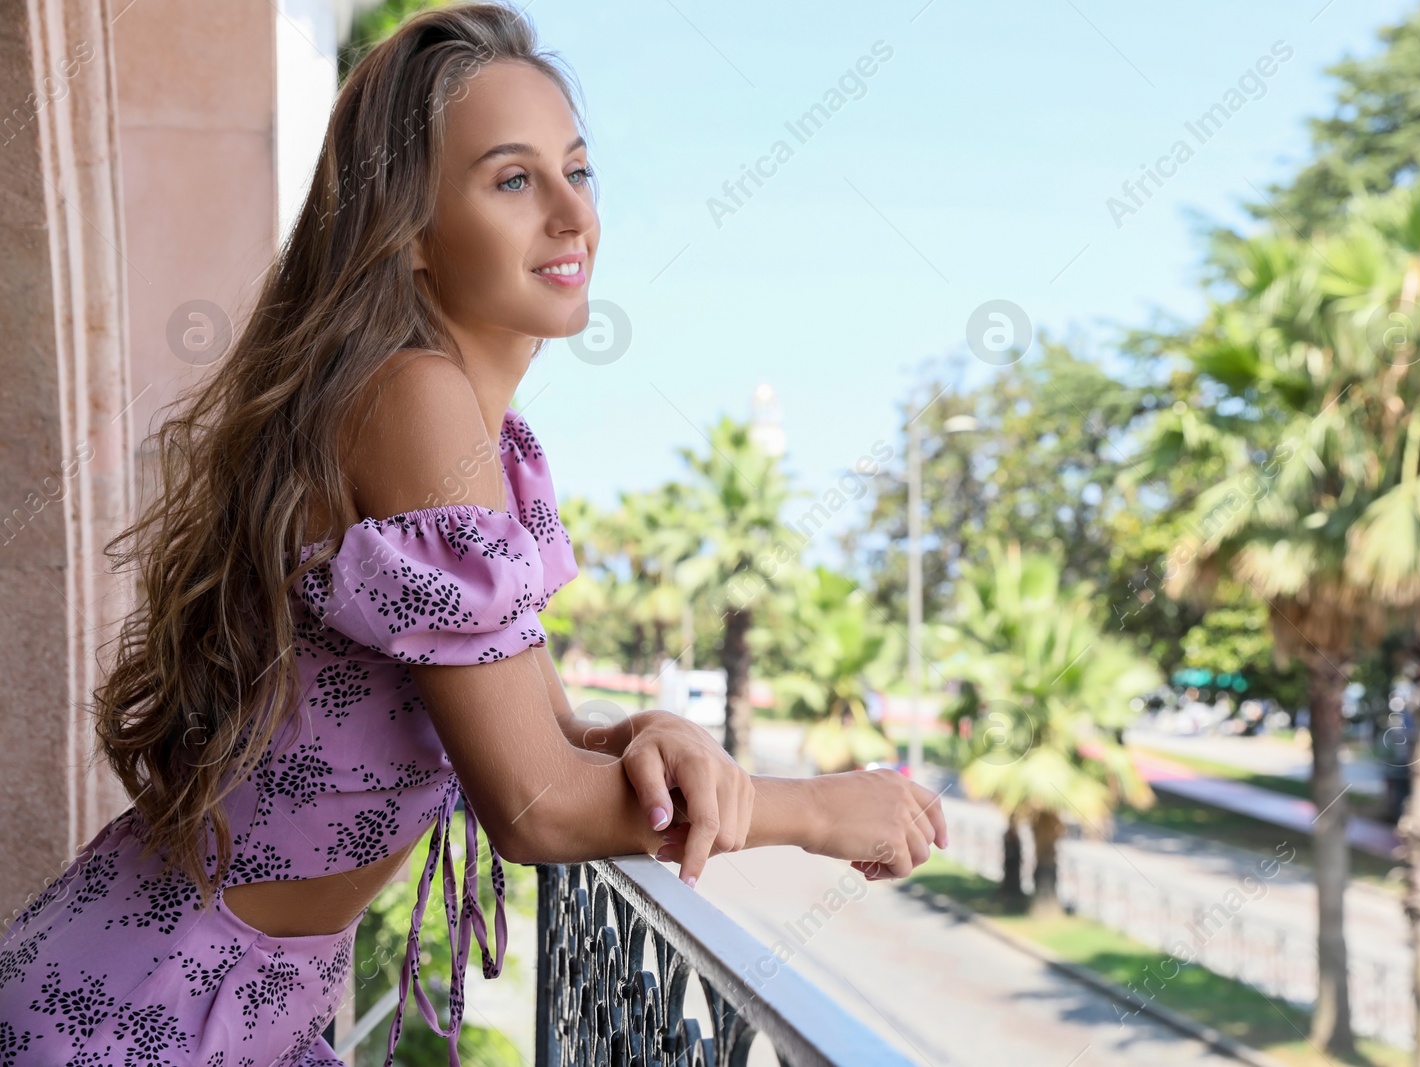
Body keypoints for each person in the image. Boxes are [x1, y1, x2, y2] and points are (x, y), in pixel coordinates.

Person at [0, 6, 947, 1065]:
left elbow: (535, 736)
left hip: (217, 1005)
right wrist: (820, 812)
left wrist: (640, 733)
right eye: (512, 180)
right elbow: (533, 808)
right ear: (408, 230)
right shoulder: (412, 398)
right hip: (140, 1017)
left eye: (577, 173)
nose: (568, 215)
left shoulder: (477, 440)